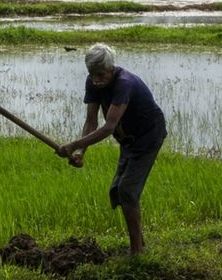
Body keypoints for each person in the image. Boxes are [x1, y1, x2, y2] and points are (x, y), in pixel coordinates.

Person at [56, 43, 165, 255]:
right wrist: (80, 151)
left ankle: (137, 253)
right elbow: (91, 122)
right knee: (118, 191)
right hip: (127, 139)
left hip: (148, 136)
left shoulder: (124, 83)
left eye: (101, 74)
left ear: (111, 68)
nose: (96, 80)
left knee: (127, 190)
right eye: (92, 74)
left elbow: (108, 127)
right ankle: (139, 244)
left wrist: (73, 145)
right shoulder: (93, 83)